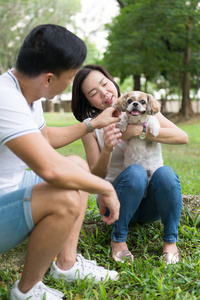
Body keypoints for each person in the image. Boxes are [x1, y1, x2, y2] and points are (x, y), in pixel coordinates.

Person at [0, 26, 121, 300]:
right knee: (65, 194)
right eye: (69, 78)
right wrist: (105, 187)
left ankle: (66, 265)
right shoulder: (5, 99)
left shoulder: (26, 93)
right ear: (49, 78)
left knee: (77, 165)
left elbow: (45, 138)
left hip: (10, 190)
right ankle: (26, 290)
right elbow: (50, 170)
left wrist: (92, 124)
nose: (70, 84)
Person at [71, 64, 189, 265]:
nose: (104, 93)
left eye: (104, 84)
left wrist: (138, 131)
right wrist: (107, 149)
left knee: (166, 173)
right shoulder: (92, 128)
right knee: (135, 172)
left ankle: (170, 242)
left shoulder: (146, 112)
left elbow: (182, 137)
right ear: (87, 100)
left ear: (111, 80)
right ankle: (118, 240)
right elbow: (95, 177)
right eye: (93, 93)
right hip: (117, 203)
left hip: (151, 204)